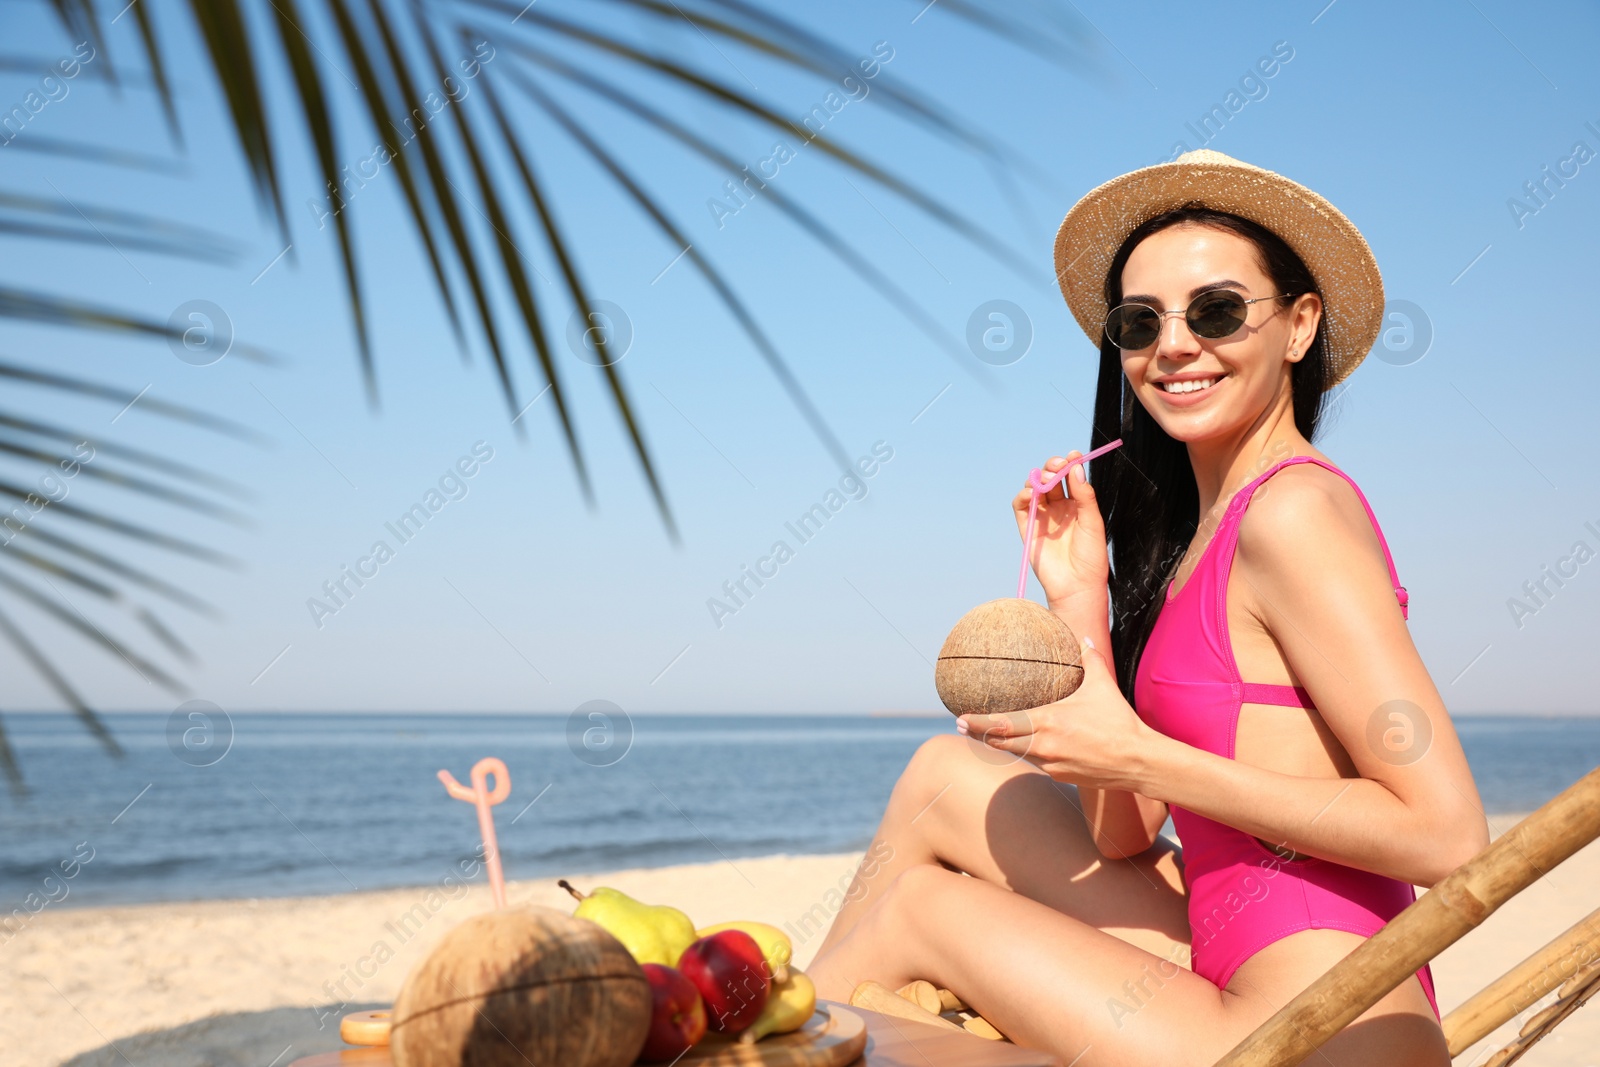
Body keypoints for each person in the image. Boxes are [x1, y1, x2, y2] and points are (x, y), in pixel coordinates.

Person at [806, 150, 1489, 1066]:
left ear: (1298, 326)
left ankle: (755, 1036)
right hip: (1232, 954)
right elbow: (1118, 830)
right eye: (1139, 322)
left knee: (923, 909)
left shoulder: (1295, 514)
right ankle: (773, 1025)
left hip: (1318, 1027)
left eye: (1215, 311)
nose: (1172, 346)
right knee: (944, 772)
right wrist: (1083, 595)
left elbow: (1449, 835)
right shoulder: (1198, 539)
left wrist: (1146, 755)